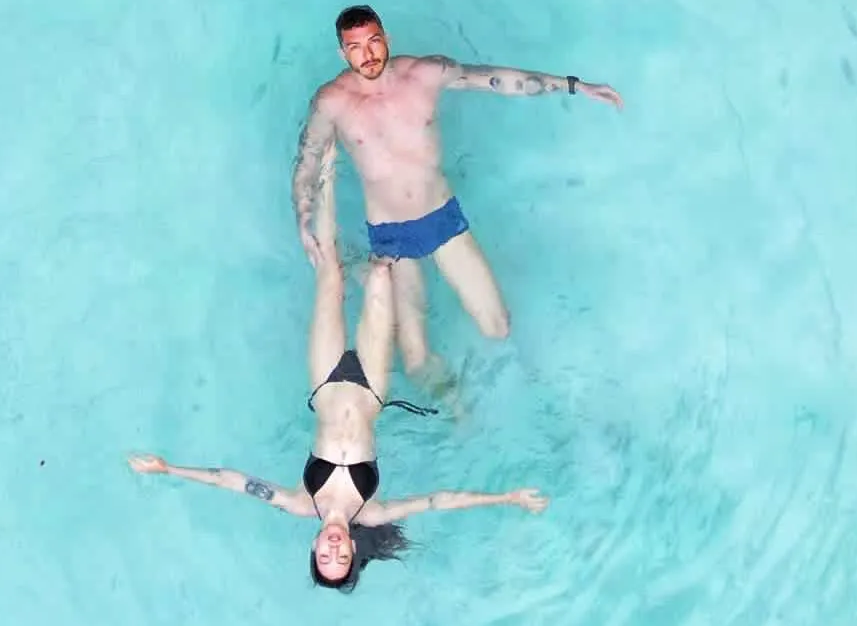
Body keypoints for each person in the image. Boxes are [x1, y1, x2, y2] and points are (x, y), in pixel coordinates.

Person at [129, 247, 546, 588]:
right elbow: (437, 501)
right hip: (370, 390)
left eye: (325, 556)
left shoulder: (298, 502)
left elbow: (232, 481)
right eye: (342, 556)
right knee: (383, 277)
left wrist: (169, 469)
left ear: (313, 548)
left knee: (331, 276)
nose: (334, 548)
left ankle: (333, 202)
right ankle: (376, 260)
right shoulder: (372, 513)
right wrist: (506, 498)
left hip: (327, 385)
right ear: (351, 548)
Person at [289, 5, 622, 372]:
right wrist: (304, 219)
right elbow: (308, 158)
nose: (367, 55)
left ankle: (356, 265)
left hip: (442, 218)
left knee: (498, 328)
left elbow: (497, 79)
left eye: (374, 42)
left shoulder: (425, 73)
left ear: (388, 39)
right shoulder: (333, 102)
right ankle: (355, 262)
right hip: (390, 237)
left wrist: (575, 85)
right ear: (342, 52)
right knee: (416, 360)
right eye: (355, 47)